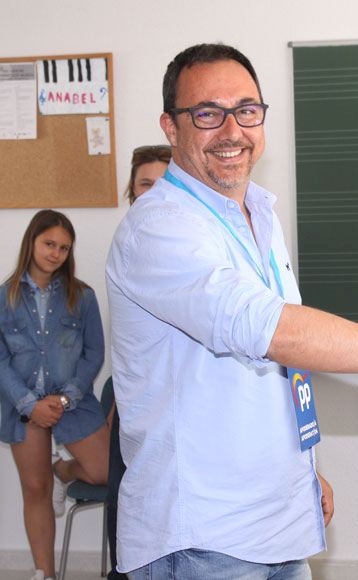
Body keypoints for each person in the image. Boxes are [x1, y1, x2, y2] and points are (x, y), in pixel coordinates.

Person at [105, 43, 358, 580]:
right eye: (208, 114)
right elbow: (278, 333)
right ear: (171, 126)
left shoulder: (258, 214)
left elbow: (285, 370)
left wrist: (303, 471)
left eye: (247, 110)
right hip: (203, 538)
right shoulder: (159, 227)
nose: (232, 130)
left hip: (278, 522)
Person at [0, 210, 108, 580]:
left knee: (104, 471)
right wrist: (29, 404)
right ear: (31, 241)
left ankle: (62, 469)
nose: (55, 253)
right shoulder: (4, 297)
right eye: (49, 244)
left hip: (72, 403)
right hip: (22, 406)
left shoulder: (83, 296)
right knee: (35, 489)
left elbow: (94, 353)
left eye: (64, 248)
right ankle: (44, 573)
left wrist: (64, 399)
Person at [105, 145, 172, 580]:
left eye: (163, 183)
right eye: (145, 184)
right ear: (132, 191)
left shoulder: (191, 245)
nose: (154, 192)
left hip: (175, 399)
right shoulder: (127, 245)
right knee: (123, 492)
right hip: (136, 392)